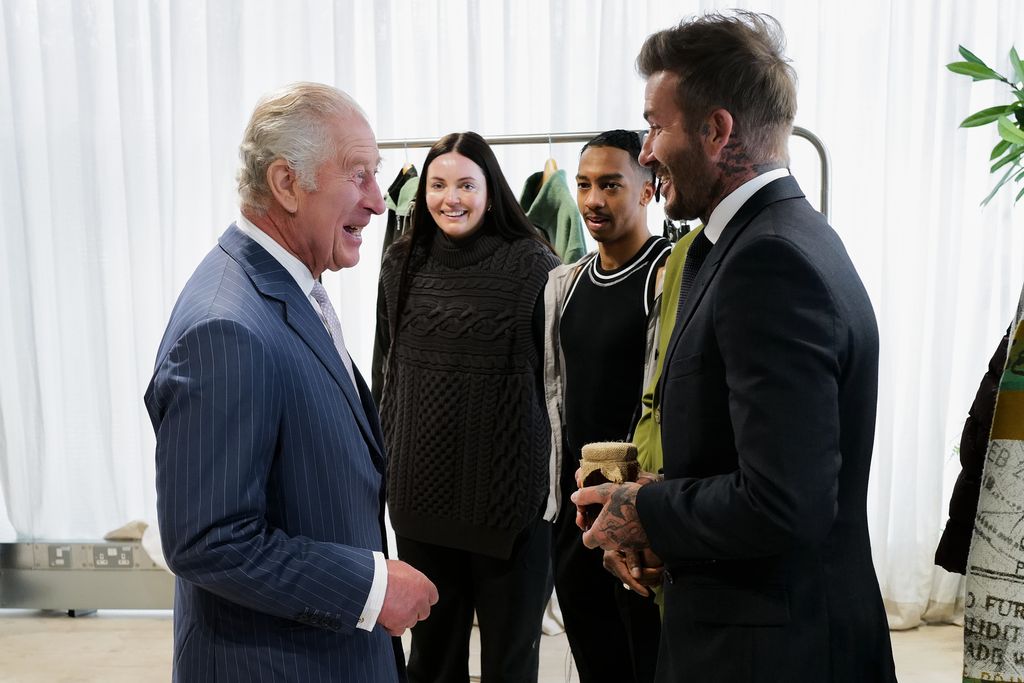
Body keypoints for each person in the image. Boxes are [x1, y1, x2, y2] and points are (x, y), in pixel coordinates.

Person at [571, 12, 898, 681]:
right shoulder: (762, 242)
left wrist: (643, 509)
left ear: (716, 132)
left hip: (771, 652)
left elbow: (785, 501)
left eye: (656, 126)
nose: (648, 151)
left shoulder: (768, 262)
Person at [144, 82, 437, 683]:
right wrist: (371, 586)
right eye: (359, 175)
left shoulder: (283, 289)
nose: (380, 203)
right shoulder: (227, 326)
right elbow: (209, 539)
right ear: (286, 184)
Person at [376, 131, 560, 683]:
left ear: (491, 190)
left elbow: (555, 385)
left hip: (509, 505)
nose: (449, 198)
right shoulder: (401, 261)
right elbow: (386, 368)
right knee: (431, 663)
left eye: (464, 185)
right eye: (436, 185)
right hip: (420, 503)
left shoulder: (534, 264)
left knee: (509, 663)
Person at [543, 130, 667, 683]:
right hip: (577, 508)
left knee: (649, 659)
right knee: (597, 661)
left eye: (612, 185)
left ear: (648, 189)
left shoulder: (667, 275)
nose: (594, 199)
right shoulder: (563, 285)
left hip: (639, 507)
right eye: (586, 185)